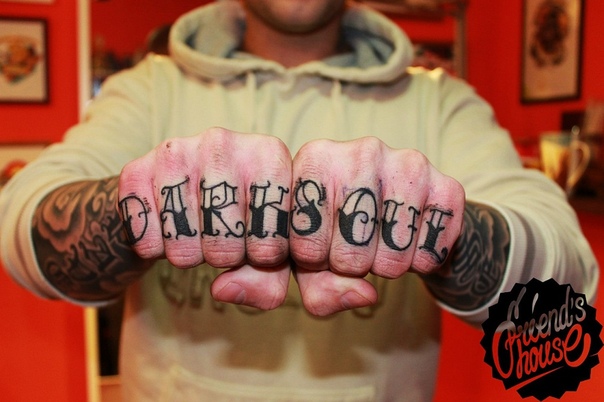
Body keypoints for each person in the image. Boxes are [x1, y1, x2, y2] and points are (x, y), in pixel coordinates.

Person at [0, 1, 598, 401]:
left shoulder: (442, 103)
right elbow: (23, 224)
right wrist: (141, 205)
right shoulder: (149, 88)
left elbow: (564, 292)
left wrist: (442, 230)